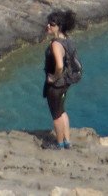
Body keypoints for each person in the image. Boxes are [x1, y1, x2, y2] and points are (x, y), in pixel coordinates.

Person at [42, 8, 78, 149]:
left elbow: (59, 65)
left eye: (52, 24)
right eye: (48, 23)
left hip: (56, 84)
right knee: (61, 110)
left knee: (56, 114)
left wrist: (53, 78)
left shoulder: (56, 44)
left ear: (59, 26)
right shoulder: (67, 40)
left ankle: (59, 144)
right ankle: (67, 142)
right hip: (66, 83)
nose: (48, 26)